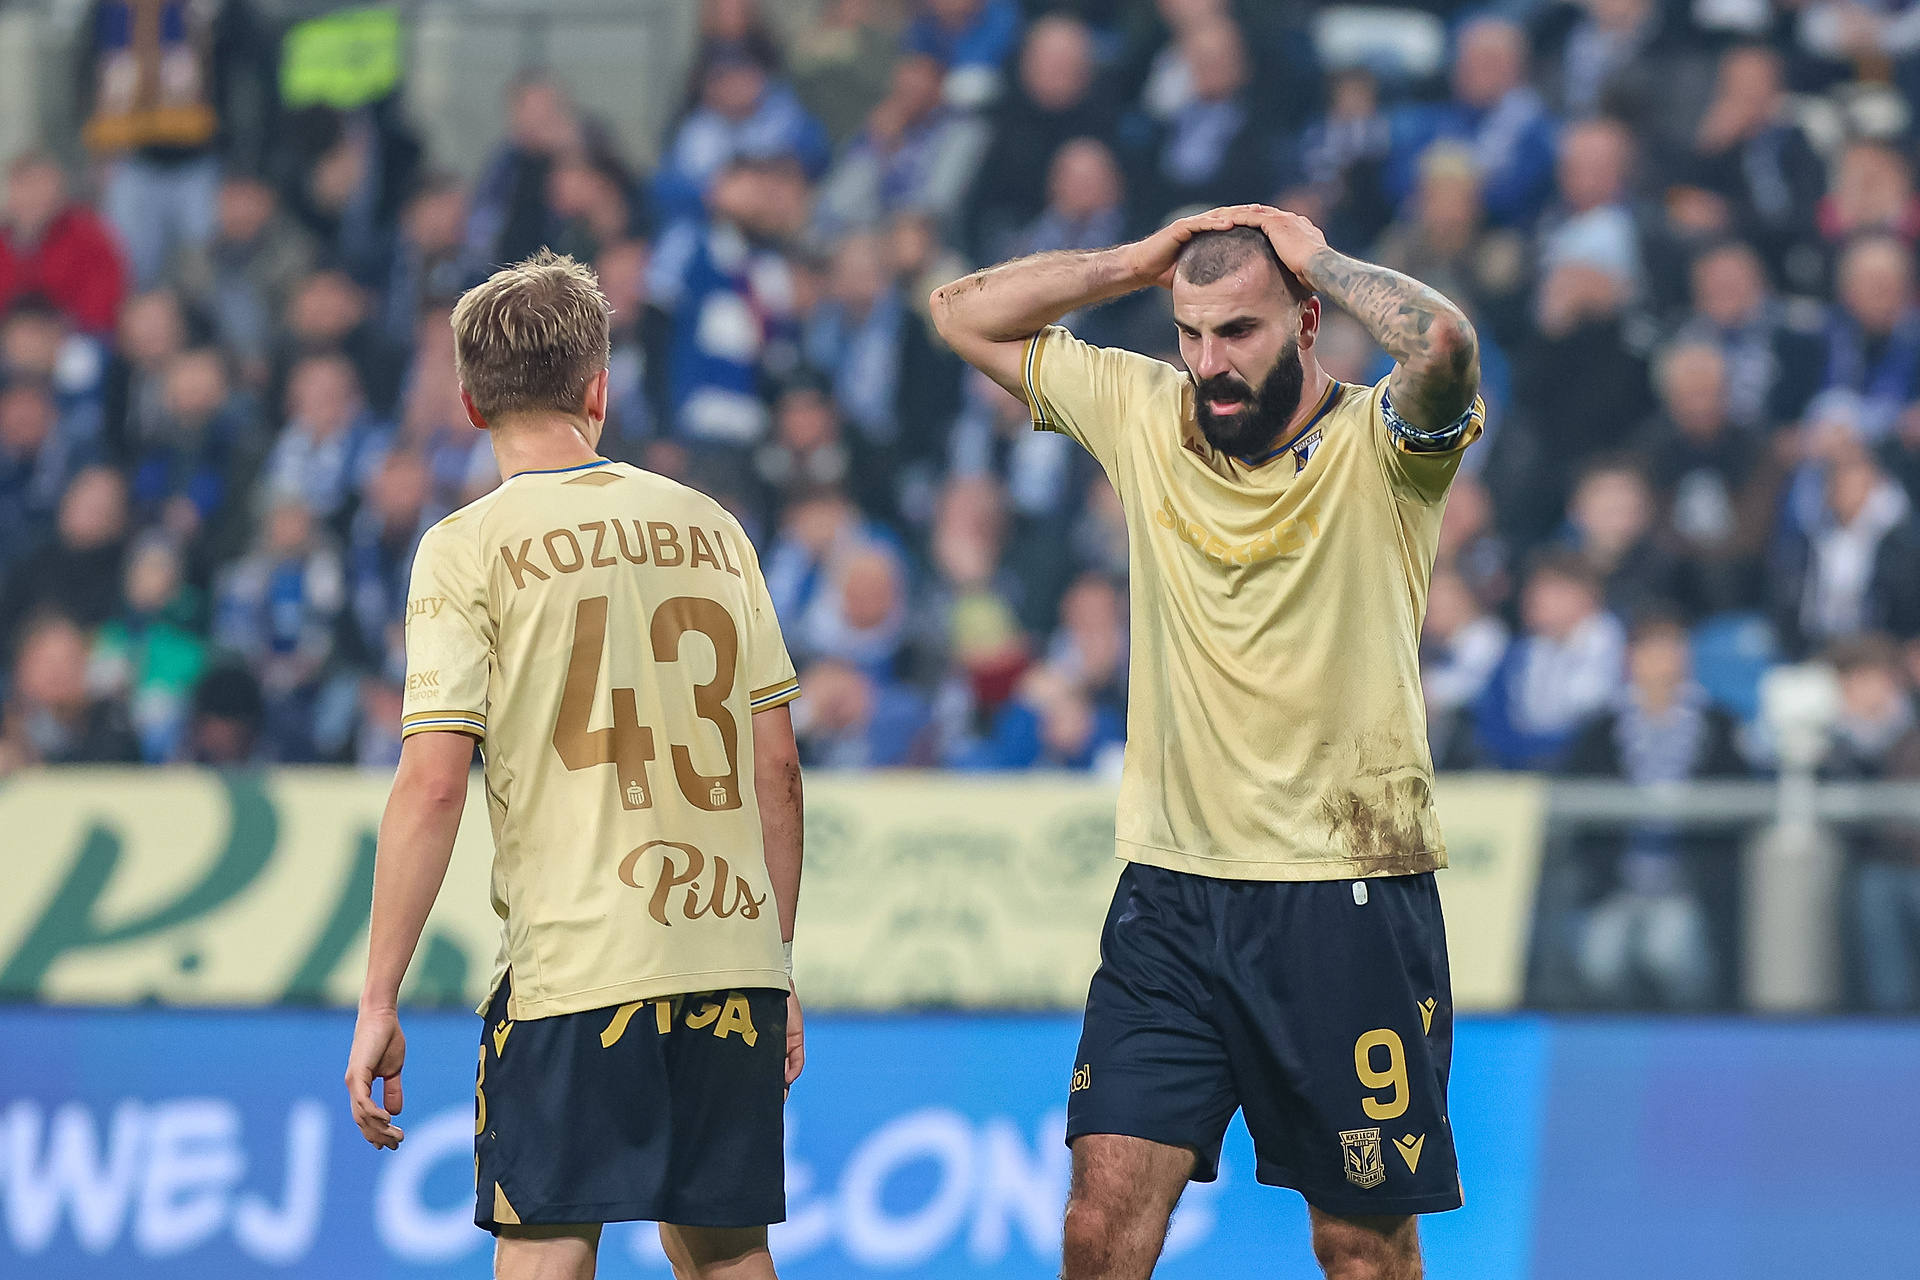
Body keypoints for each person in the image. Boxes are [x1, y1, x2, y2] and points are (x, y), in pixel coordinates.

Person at [932, 203, 1483, 1276]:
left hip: (1346, 887)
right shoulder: (1146, 411)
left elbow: (1445, 344)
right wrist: (1138, 262)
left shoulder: (1383, 446)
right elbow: (961, 315)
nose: (1208, 363)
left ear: (1309, 320)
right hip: (1173, 895)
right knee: (1099, 1222)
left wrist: (1310, 249)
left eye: (1238, 331)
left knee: (1360, 1244)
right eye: (1189, 333)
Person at [343, 251, 805, 1280]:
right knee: (729, 1253)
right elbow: (778, 768)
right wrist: (773, 957)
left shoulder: (467, 547)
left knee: (549, 1245)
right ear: (601, 387)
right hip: (725, 954)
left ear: (469, 401)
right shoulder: (712, 527)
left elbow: (432, 779)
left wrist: (380, 997)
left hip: (577, 968)